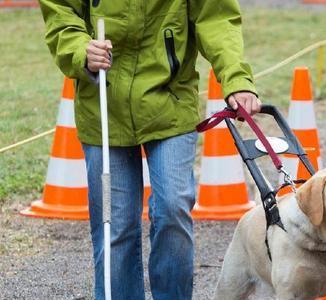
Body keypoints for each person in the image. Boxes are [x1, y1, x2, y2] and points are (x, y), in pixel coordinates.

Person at [38, 0, 261, 299]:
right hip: (103, 104)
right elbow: (61, 13)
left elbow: (217, 19)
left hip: (170, 101)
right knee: (114, 226)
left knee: (172, 207)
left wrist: (236, 79)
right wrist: (81, 50)